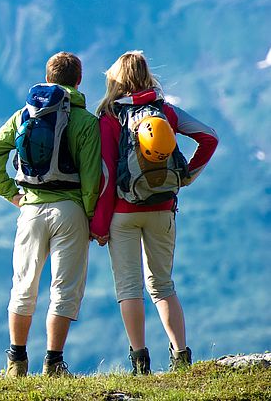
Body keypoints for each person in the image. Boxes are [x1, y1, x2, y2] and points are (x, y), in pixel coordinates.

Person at [90, 51, 218, 375]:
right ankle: (181, 356)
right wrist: (186, 175)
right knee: (162, 285)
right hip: (162, 208)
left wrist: (100, 224)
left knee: (129, 288)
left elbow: (106, 176)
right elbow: (209, 137)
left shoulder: (109, 117)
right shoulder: (166, 113)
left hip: (123, 213)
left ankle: (139, 362)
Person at [0, 52, 101, 377]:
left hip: (30, 210)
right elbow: (91, 180)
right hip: (71, 212)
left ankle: (16, 361)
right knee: (63, 288)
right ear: (79, 81)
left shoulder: (23, 116)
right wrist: (90, 217)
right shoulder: (87, 122)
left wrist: (13, 194)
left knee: (23, 285)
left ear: (48, 79)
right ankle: (54, 362)